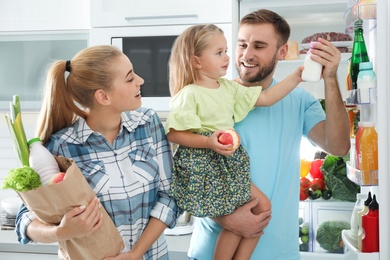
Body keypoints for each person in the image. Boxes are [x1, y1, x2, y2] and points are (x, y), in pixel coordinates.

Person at [187, 10, 350, 260]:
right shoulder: (210, 98)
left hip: (278, 253)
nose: (247, 54)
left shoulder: (299, 100)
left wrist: (330, 78)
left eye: (259, 46)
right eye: (242, 44)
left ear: (282, 52)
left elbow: (338, 147)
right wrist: (226, 217)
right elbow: (190, 174)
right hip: (210, 251)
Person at [15, 45, 181, 260]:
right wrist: (62, 231)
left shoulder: (148, 123)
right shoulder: (61, 146)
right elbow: (24, 221)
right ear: (103, 96)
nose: (140, 80)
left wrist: (135, 254)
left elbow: (170, 196)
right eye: (130, 79)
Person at [165, 24, 302, 260]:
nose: (228, 57)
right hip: (207, 164)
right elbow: (175, 134)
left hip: (228, 161)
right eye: (219, 53)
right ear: (197, 61)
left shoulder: (228, 88)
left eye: (226, 50)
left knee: (261, 208)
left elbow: (267, 98)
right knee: (238, 217)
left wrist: (297, 77)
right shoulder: (189, 94)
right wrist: (209, 142)